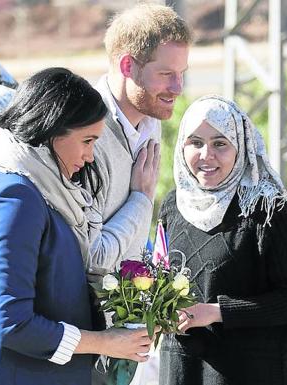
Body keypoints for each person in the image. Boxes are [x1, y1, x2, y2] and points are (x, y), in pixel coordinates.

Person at [0, 68, 155, 385]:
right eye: (87, 141)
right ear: (53, 130)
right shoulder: (16, 196)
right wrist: (105, 342)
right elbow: (13, 322)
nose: (89, 156)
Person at [157, 95, 287, 385]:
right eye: (195, 143)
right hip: (184, 369)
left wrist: (216, 312)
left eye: (220, 143)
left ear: (241, 147)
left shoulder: (267, 210)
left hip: (253, 372)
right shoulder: (173, 206)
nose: (206, 155)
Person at [87, 3, 192, 275]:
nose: (178, 88)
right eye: (166, 74)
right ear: (127, 66)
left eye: (182, 74)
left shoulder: (151, 118)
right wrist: (141, 199)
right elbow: (90, 258)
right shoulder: (83, 133)